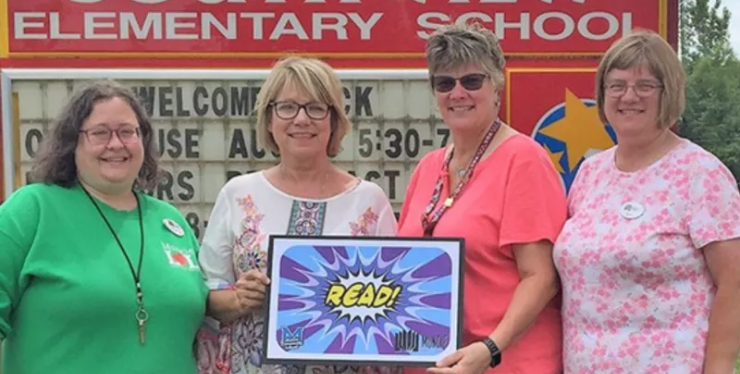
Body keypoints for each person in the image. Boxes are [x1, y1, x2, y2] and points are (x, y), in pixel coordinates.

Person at [195, 56, 398, 374]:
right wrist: (237, 298)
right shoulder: (238, 194)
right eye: (287, 107)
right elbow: (206, 291)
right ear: (269, 119)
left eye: (316, 107)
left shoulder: (369, 202)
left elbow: (396, 303)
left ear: (333, 120)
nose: (301, 119)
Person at [553, 30, 740, 373]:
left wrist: (719, 368)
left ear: (667, 93)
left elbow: (735, 282)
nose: (629, 96)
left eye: (645, 86)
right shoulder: (590, 174)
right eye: (617, 85)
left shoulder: (701, 174)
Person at [0, 80, 208, 374]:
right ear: (72, 142)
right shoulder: (32, 209)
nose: (116, 144)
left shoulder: (170, 221)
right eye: (99, 133)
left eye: (127, 132)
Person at [397, 22, 567, 374]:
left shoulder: (524, 160)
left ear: (496, 86)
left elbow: (541, 277)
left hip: (506, 361)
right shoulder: (428, 167)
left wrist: (490, 348)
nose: (458, 93)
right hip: (436, 361)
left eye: (472, 81)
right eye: (445, 83)